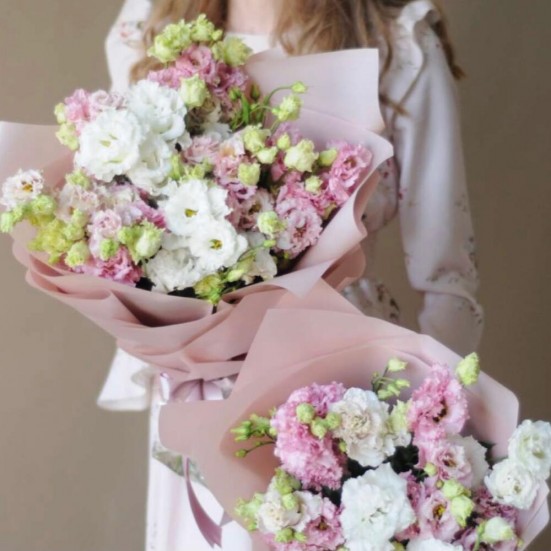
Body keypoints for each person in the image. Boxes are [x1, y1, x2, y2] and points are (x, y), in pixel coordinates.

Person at [103, 0, 484, 548]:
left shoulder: (399, 44)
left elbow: (448, 282)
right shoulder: (146, 28)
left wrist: (422, 437)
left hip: (347, 400)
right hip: (197, 392)